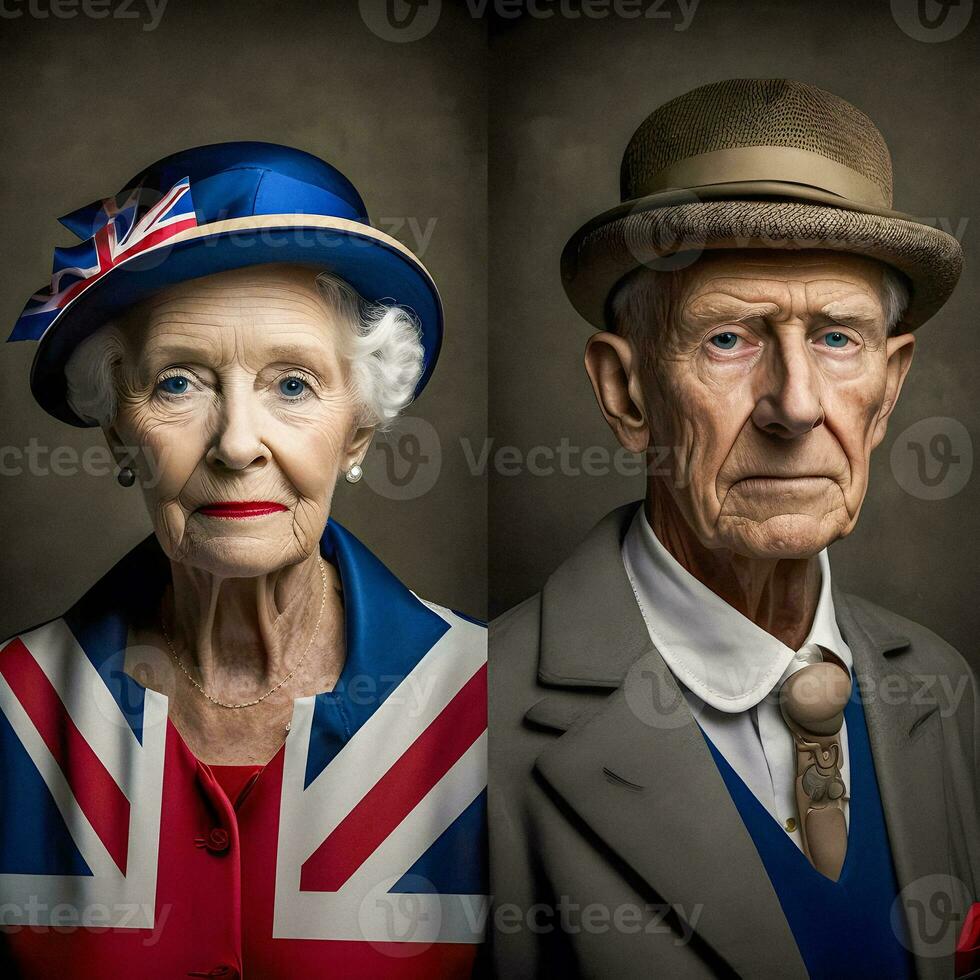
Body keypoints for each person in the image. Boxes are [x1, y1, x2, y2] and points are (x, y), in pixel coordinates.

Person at [489, 79, 979, 979]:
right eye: (729, 339)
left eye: (838, 339)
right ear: (626, 392)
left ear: (890, 389)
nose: (796, 407)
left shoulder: (946, 689)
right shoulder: (468, 721)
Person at [0, 142, 487, 979]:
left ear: (359, 429)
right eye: (179, 383)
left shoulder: (480, 705)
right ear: (120, 428)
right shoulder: (15, 714)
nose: (235, 445)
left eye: (292, 385)